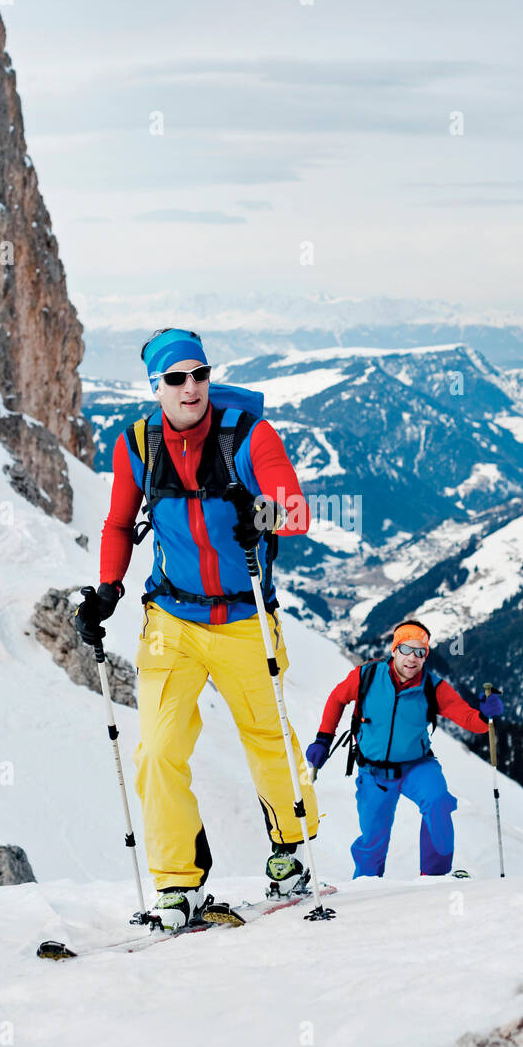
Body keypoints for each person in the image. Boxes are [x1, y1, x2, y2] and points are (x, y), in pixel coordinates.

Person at [75, 327, 319, 930]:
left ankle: (290, 851)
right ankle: (177, 882)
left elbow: (295, 513)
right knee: (158, 749)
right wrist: (107, 590)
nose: (191, 387)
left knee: (267, 737)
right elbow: (118, 524)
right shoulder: (137, 444)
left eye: (200, 373)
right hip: (171, 620)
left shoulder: (248, 434)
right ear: (155, 386)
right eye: (176, 377)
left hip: (245, 617)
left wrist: (259, 512)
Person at [305, 619, 504, 877]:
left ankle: (434, 876)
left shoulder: (433, 687)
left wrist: (486, 716)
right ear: (394, 649)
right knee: (372, 840)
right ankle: (367, 885)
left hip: (417, 766)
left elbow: (469, 719)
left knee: (438, 801)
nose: (412, 658)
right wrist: (323, 739)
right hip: (373, 772)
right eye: (406, 649)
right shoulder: (366, 676)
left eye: (420, 652)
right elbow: (337, 698)